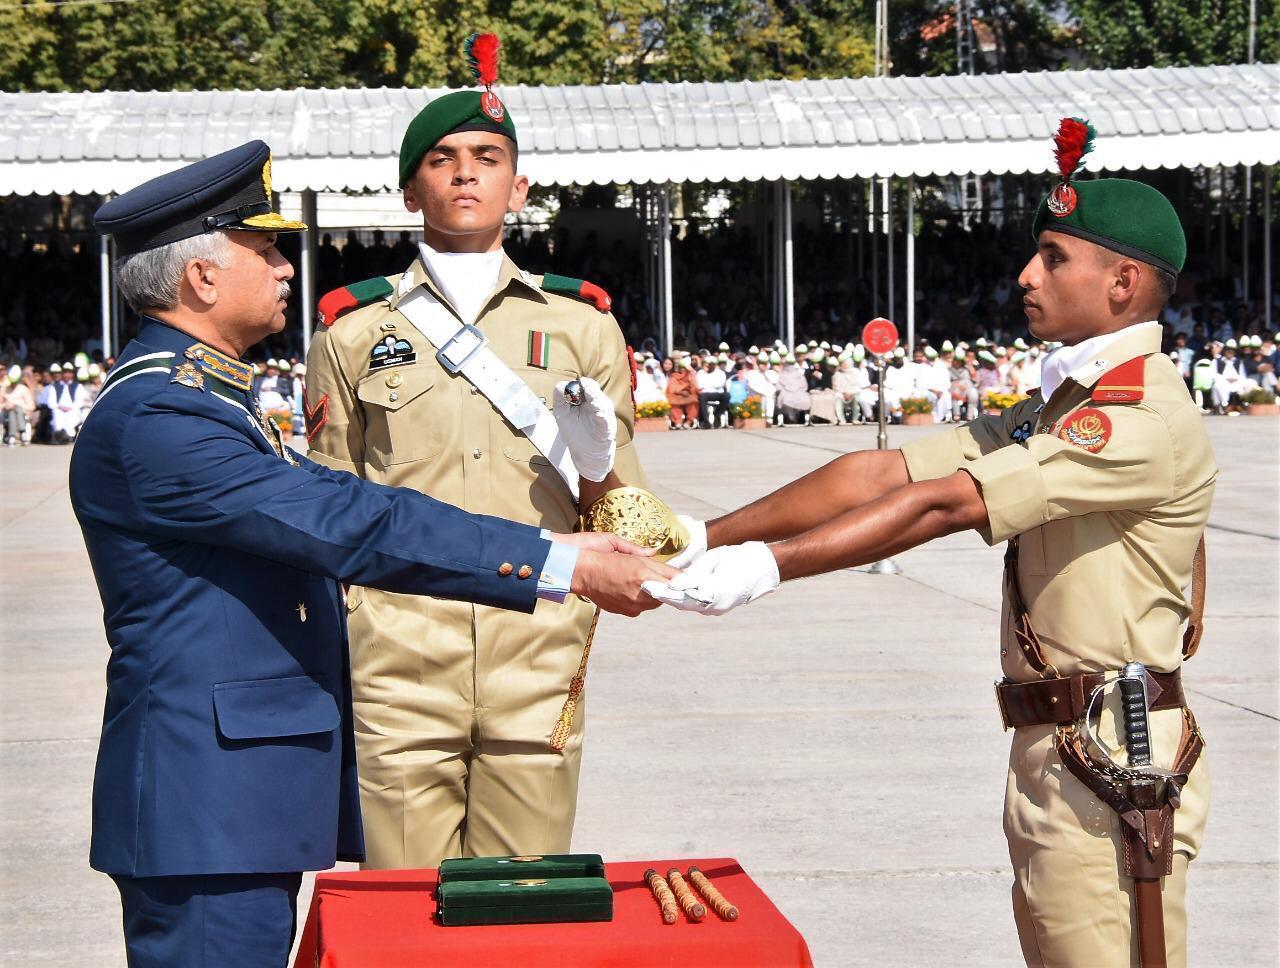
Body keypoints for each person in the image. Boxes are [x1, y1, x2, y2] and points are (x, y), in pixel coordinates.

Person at [78, 139, 673, 966]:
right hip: (207, 809)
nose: (287, 267)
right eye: (264, 249)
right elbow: (350, 518)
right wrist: (558, 560)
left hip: (235, 802)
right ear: (202, 278)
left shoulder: (198, 397)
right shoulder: (162, 419)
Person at [640, 130, 1213, 967]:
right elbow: (885, 470)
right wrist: (704, 537)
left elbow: (947, 502)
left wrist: (767, 569)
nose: (1026, 275)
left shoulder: (1135, 418)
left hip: (1115, 763)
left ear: (1123, 283)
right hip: (1063, 752)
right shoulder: (1061, 404)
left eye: (1053, 258)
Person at [303, 33, 653, 872]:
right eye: (444, 158)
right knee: (402, 917)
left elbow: (632, 527)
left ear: (518, 186)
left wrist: (600, 461)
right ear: (408, 189)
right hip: (398, 661)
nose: (466, 173)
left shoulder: (583, 325)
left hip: (538, 655)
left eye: (488, 157)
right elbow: (326, 508)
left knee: (524, 913)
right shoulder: (352, 331)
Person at [665, 356, 699, 428]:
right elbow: (672, 388)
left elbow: (694, 388)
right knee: (672, 401)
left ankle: (689, 421)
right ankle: (677, 421)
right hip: (677, 395)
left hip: (688, 395)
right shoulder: (674, 376)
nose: (682, 369)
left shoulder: (690, 375)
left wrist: (691, 373)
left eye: (684, 368)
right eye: (680, 367)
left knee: (694, 400)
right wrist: (681, 392)